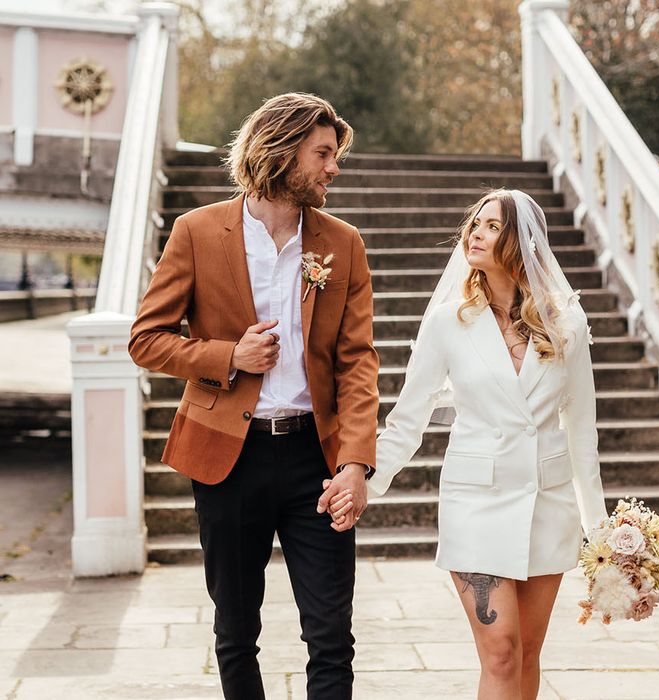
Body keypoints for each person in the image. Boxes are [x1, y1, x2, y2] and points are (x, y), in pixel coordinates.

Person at [129, 92, 379, 700]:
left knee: (332, 636)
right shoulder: (196, 232)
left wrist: (354, 463)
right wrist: (225, 357)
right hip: (227, 459)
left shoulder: (342, 243)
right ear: (282, 149)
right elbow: (146, 340)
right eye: (322, 153)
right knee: (236, 631)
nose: (333, 168)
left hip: (314, 461)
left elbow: (357, 362)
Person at [329, 188, 608, 700]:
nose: (475, 233)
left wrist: (603, 532)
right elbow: (407, 418)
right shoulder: (448, 323)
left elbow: (581, 432)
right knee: (500, 651)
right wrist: (365, 480)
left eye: (492, 226)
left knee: (527, 652)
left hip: (549, 504)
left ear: (522, 242)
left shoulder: (567, 322)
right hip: (476, 503)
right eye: (475, 224)